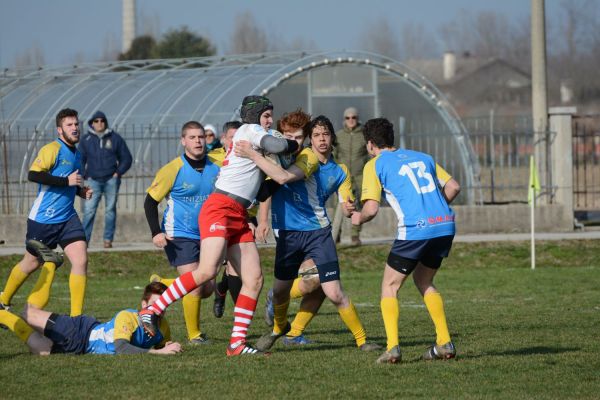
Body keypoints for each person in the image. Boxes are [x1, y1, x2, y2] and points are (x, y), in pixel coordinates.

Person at [138, 95, 300, 356]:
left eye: (271, 115)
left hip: (238, 213)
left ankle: (236, 344)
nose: (270, 120)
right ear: (254, 116)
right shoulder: (251, 130)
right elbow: (278, 145)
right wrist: (293, 143)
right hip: (220, 208)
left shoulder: (254, 133)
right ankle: (152, 310)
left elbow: (262, 186)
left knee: (254, 279)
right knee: (206, 272)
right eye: (266, 114)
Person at [234, 115, 380, 353]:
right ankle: (280, 328)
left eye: (326, 135)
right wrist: (258, 217)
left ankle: (362, 340)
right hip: (290, 235)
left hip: (318, 234)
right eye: (316, 135)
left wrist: (349, 206)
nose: (322, 139)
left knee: (332, 289)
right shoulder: (303, 158)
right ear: (310, 140)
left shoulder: (339, 170)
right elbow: (273, 183)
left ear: (332, 138)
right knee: (282, 290)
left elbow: (345, 199)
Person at [350, 117, 461, 364]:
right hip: (444, 225)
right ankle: (444, 342)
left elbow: (371, 209)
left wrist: (357, 218)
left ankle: (393, 348)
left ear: (370, 144)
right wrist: (433, 210)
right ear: (391, 138)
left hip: (415, 230)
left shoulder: (375, 165)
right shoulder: (423, 157)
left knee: (389, 286)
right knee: (424, 280)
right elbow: (453, 186)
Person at [0, 248, 181, 356]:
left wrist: (168, 346)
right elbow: (121, 348)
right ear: (143, 304)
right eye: (154, 304)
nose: (158, 309)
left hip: (81, 347)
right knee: (28, 313)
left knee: (43, 349)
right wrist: (158, 353)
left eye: (163, 305)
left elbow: (162, 344)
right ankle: (50, 263)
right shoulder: (129, 317)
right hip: (79, 332)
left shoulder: (163, 326)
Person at [0, 108, 91, 317]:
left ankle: (77, 318)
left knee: (81, 260)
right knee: (31, 263)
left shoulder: (78, 155)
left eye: (76, 124)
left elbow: (69, 184)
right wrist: (65, 181)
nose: (75, 128)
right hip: (44, 218)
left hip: (68, 217)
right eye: (69, 125)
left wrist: (80, 191)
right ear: (60, 130)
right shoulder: (52, 149)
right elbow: (33, 175)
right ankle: (3, 300)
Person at [143, 121, 220, 345]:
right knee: (194, 286)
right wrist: (156, 232)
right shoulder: (172, 169)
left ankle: (164, 282)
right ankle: (194, 335)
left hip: (208, 233)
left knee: (207, 287)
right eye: (192, 137)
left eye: (201, 137)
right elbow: (150, 202)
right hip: (179, 233)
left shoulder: (217, 165)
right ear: (183, 141)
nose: (198, 141)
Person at [79, 110, 132, 248]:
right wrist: (85, 175)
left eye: (102, 120)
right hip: (93, 181)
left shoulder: (115, 138)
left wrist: (118, 173)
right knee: (89, 210)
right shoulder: (86, 140)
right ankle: (84, 241)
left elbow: (126, 158)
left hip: (111, 180)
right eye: (96, 121)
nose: (99, 123)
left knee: (110, 210)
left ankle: (108, 240)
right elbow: (79, 159)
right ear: (92, 123)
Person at [210, 121, 244, 318]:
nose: (236, 141)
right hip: (217, 216)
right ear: (223, 139)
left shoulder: (249, 157)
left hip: (243, 216)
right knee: (212, 269)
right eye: (232, 137)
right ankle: (220, 291)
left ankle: (240, 318)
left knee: (235, 265)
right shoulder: (211, 160)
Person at [334, 107, 368, 246]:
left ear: (357, 118)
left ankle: (355, 235)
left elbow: (370, 154)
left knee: (359, 204)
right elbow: (334, 155)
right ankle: (336, 235)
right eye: (348, 118)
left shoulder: (365, 135)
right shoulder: (338, 136)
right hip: (343, 177)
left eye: (353, 117)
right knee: (341, 205)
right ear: (344, 119)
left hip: (360, 176)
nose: (351, 120)